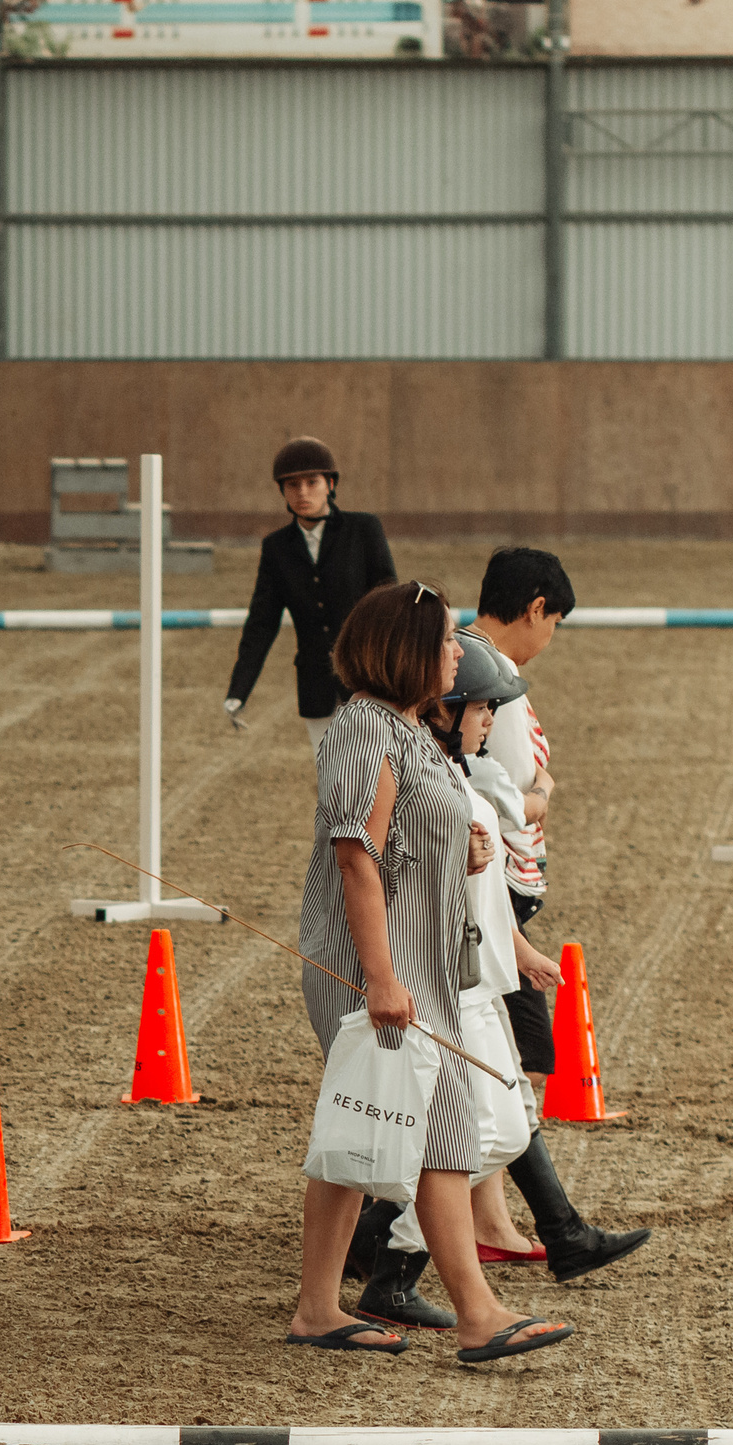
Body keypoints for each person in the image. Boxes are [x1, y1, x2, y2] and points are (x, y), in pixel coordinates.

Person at [286, 580, 573, 1363]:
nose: (458, 652)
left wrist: (465, 851)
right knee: (439, 1125)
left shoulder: (408, 730)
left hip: (421, 967)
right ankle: (478, 1312)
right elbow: (356, 855)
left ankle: (318, 1307)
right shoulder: (363, 732)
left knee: (363, 1122)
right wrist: (379, 977)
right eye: (448, 640)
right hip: (379, 967)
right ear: (408, 650)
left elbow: (414, 836)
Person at [351, 640, 558, 1328]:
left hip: (479, 978)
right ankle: (396, 1265)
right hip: (443, 982)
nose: (488, 718)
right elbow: (389, 874)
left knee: (500, 1133)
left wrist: (518, 947)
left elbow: (484, 887)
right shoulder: (422, 776)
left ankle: (391, 1251)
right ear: (444, 710)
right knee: (481, 1132)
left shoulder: (457, 772)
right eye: (482, 706)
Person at [459, 549, 652, 1282]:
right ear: (536, 605)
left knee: (503, 1064)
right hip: (493, 894)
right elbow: (498, 792)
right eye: (556, 623)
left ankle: (503, 1220)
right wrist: (542, 792)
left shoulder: (481, 669)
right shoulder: (490, 683)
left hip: (499, 898)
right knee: (510, 1063)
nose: (551, 637)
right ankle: (396, 1230)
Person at [225, 437, 397, 751]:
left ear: (330, 484)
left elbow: (389, 604)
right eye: (292, 485)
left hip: (369, 679)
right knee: (330, 780)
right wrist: (239, 689)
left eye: (311, 482)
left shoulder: (364, 530)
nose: (302, 492)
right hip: (315, 685)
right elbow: (262, 623)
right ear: (282, 491)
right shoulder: (276, 548)